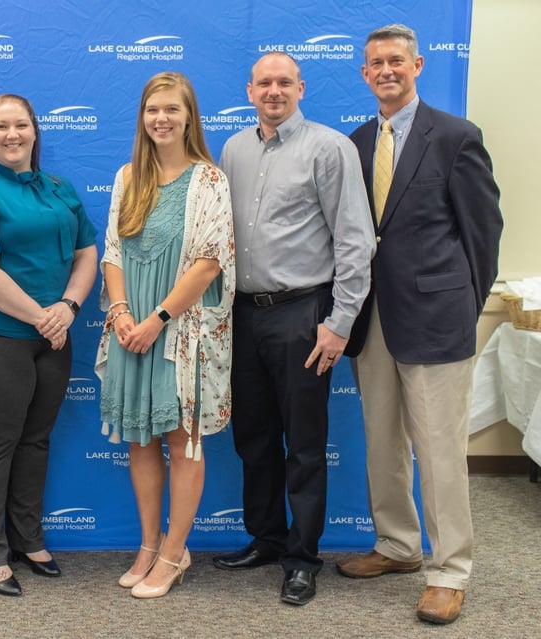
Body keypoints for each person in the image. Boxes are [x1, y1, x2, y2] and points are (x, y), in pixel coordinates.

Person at [336, 24, 503, 625]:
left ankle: (449, 570)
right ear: (364, 73)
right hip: (371, 318)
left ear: (418, 65)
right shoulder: (354, 144)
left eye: (396, 61)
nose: (386, 70)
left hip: (437, 317)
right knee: (382, 442)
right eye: (376, 62)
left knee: (437, 450)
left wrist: (465, 303)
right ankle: (398, 546)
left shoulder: (456, 137)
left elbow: (484, 234)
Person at [212, 53, 376, 606]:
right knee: (254, 437)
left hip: (305, 313)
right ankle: (266, 537)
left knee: (304, 444)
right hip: (242, 313)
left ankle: (302, 559)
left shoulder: (331, 148)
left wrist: (340, 323)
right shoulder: (233, 148)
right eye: (264, 83)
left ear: (301, 88)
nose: (274, 91)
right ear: (249, 89)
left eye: (284, 82)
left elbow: (354, 240)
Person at [0, 94, 97, 597]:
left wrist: (68, 309)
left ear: (35, 131)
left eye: (21, 125)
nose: (13, 135)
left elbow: (87, 252)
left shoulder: (60, 188)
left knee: (35, 441)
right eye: (1, 127)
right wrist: (42, 318)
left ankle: (27, 539)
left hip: (53, 335)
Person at [95, 71, 236, 600]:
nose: (162, 118)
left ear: (188, 117)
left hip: (180, 333)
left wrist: (156, 320)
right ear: (143, 117)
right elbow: (112, 251)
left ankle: (176, 553)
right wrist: (124, 313)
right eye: (153, 109)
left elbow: (207, 264)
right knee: (140, 439)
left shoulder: (210, 181)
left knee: (184, 443)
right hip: (131, 328)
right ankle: (149, 545)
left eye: (172, 109)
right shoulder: (128, 176)